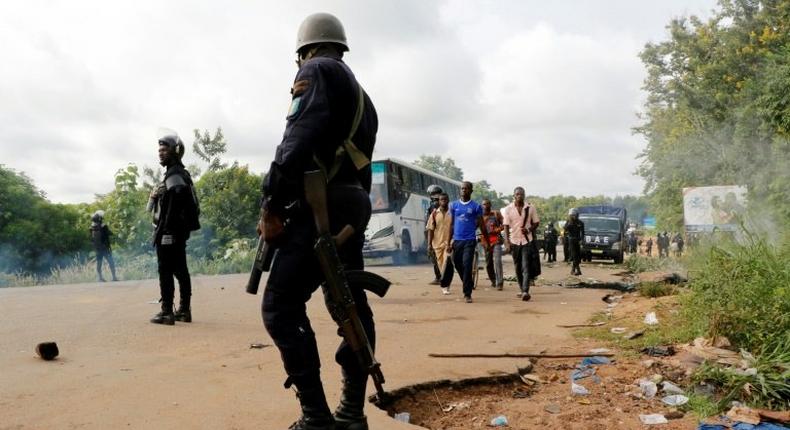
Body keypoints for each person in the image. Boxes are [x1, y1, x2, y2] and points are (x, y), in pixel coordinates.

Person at [257, 13, 379, 430]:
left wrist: (271, 204)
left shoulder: (316, 71)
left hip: (319, 206)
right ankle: (351, 410)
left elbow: (296, 139)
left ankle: (316, 418)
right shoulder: (364, 97)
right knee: (349, 302)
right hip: (350, 205)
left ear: (303, 52)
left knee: (280, 307)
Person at [148, 132, 200, 326]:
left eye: (165, 149)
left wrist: (167, 230)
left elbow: (177, 195)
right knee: (180, 269)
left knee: (165, 270)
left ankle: (167, 312)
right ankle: (184, 310)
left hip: (170, 231)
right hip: (178, 231)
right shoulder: (180, 172)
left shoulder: (174, 173)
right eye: (159, 150)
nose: (160, 153)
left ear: (175, 151)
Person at [447, 181, 486, 303]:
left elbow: (482, 224)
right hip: (457, 241)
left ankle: (467, 294)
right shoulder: (453, 205)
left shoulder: (476, 206)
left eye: (466, 189)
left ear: (471, 191)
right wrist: (448, 242)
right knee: (458, 264)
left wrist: (487, 241)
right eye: (462, 188)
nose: (464, 190)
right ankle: (467, 281)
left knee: (467, 265)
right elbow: (451, 225)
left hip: (469, 240)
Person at [502, 186, 540, 301]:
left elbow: (536, 223)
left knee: (526, 266)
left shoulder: (530, 208)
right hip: (514, 241)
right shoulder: (508, 209)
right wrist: (507, 243)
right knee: (517, 267)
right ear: (514, 196)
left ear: (524, 195)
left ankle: (525, 291)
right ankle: (522, 288)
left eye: (522, 194)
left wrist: (528, 230)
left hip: (526, 241)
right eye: (517, 194)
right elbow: (506, 226)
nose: (520, 196)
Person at [426, 193, 453, 294]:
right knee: (441, 265)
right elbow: (430, 230)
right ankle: (446, 283)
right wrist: (429, 245)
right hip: (437, 244)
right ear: (439, 201)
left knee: (446, 263)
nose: (443, 202)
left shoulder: (452, 213)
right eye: (441, 200)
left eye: (445, 200)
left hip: (449, 243)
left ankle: (445, 286)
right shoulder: (434, 214)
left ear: (448, 200)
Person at [481, 199, 504, 290]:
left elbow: (504, 224)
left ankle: (500, 282)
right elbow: (475, 226)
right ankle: (493, 280)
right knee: (488, 263)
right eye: (483, 204)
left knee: (498, 261)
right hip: (485, 242)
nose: (485, 206)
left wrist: (497, 230)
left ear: (490, 205)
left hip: (496, 240)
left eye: (487, 204)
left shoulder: (496, 214)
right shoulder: (480, 216)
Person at [89, 210, 118, 282]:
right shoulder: (104, 226)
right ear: (100, 218)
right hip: (105, 248)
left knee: (99, 263)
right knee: (111, 262)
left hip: (97, 249)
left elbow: (91, 239)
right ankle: (114, 277)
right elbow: (110, 233)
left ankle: (100, 278)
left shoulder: (91, 228)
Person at [425, 184, 444, 285]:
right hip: (433, 234)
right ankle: (438, 277)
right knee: (434, 257)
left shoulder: (445, 206)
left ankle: (443, 277)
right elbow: (428, 224)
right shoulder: (430, 207)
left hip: (444, 234)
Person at [565, 208, 584, 276]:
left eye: (574, 215)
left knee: (578, 256)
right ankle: (575, 270)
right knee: (574, 255)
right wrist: (569, 224)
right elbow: (565, 229)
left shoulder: (580, 223)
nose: (573, 216)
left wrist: (582, 240)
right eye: (571, 215)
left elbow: (582, 233)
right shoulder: (568, 222)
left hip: (578, 240)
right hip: (571, 240)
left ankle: (576, 270)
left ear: (577, 215)